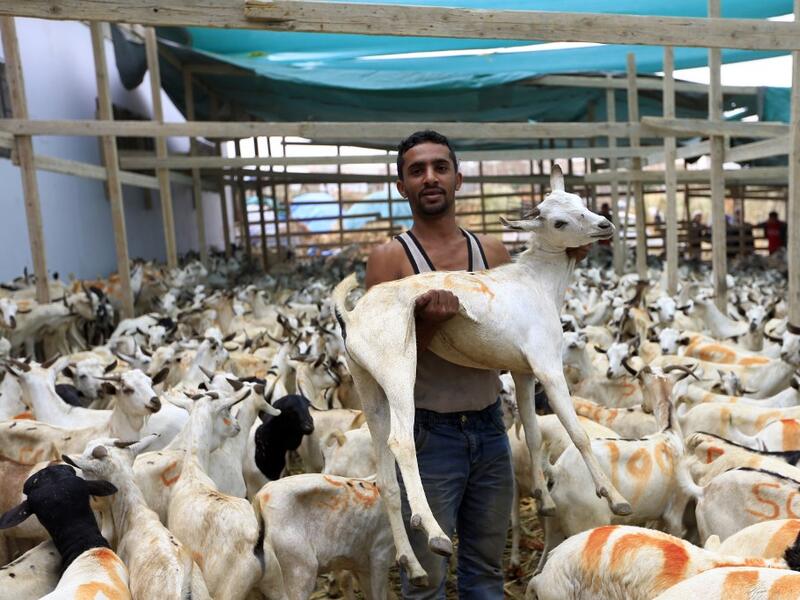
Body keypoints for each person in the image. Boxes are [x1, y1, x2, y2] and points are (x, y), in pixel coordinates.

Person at [364, 130, 589, 598]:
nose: (430, 178)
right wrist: (426, 326)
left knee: (485, 573)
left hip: (490, 428)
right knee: (426, 581)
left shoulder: (492, 253)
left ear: (458, 179)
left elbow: (518, 342)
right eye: (417, 170)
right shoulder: (390, 261)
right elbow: (378, 362)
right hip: (428, 438)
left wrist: (567, 260)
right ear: (401, 186)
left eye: (440, 168)